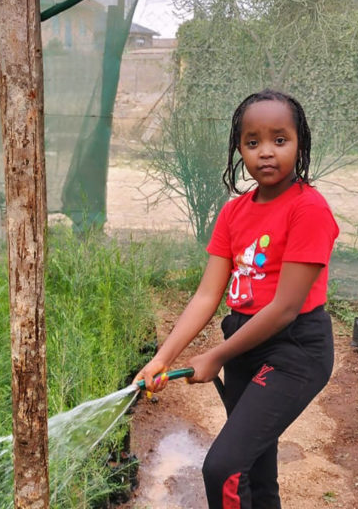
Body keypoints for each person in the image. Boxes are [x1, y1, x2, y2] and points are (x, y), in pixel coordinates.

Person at [134, 89, 339, 508]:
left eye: (279, 140)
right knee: (256, 472)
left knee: (224, 467)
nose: (266, 152)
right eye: (252, 142)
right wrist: (163, 358)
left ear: (300, 143)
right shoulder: (233, 212)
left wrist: (217, 356)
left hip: (294, 350)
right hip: (245, 340)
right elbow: (207, 295)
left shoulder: (309, 210)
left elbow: (284, 309)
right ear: (238, 149)